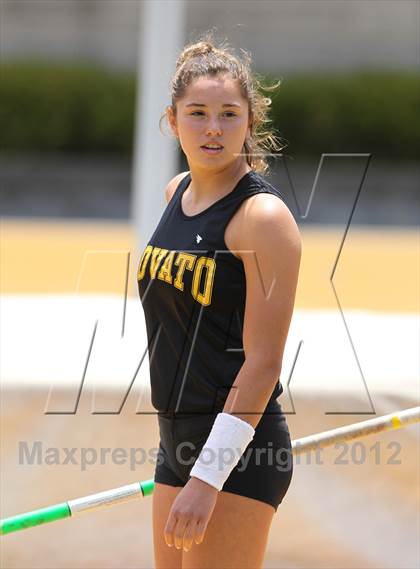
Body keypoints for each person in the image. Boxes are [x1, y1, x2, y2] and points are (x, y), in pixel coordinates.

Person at [137, 33, 301, 569]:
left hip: (238, 452)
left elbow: (263, 363)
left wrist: (209, 475)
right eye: (198, 112)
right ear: (172, 119)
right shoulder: (175, 193)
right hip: (175, 439)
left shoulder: (264, 219)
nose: (213, 128)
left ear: (251, 122)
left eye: (229, 114)